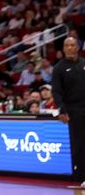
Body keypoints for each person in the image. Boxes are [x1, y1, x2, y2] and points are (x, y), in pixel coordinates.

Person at [52, 37, 85, 188]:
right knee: (78, 144)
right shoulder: (59, 68)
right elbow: (57, 92)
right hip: (73, 110)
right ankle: (81, 177)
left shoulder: (84, 63)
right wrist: (62, 110)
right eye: (67, 45)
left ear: (77, 47)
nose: (70, 48)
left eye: (72, 45)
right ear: (63, 48)